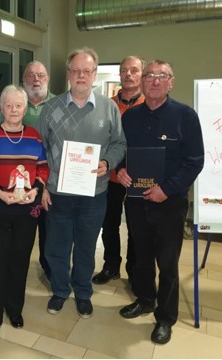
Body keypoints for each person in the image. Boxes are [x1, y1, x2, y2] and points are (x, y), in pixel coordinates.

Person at [116, 60, 204, 344]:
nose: (154, 81)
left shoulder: (186, 117)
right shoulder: (129, 117)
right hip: (137, 202)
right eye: (150, 75)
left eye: (161, 76)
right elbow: (119, 151)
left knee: (167, 262)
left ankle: (165, 317)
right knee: (141, 256)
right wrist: (121, 170)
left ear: (171, 82)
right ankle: (144, 299)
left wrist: (167, 189)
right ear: (143, 81)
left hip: (169, 203)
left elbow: (194, 162)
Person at [38, 47, 126, 318]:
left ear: (94, 75)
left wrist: (107, 163)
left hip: (94, 193)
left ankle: (83, 292)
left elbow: (119, 143)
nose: (80, 75)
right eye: (75, 70)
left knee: (87, 247)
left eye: (86, 71)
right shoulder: (50, 108)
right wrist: (42, 186)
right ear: (68, 74)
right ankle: (60, 291)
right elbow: (39, 151)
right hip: (58, 193)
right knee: (57, 247)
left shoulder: (109, 108)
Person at [0, 85, 50, 341]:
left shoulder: (34, 137)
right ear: (1, 107)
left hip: (26, 210)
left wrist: (36, 190)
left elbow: (43, 168)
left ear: (25, 108)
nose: (14, 110)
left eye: (19, 105)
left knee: (19, 263)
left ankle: (14, 309)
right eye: (8, 105)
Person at [92, 56, 145, 286]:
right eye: (124, 70)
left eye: (134, 70)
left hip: (139, 179)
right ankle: (111, 266)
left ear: (141, 74)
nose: (129, 74)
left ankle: (135, 272)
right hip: (110, 177)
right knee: (109, 225)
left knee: (136, 228)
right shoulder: (107, 105)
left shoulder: (149, 105)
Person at [22, 60, 55, 280]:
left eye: (41, 75)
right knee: (23, 232)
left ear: (48, 79)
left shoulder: (61, 105)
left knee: (50, 232)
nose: (36, 79)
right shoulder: (15, 103)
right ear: (23, 80)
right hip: (20, 184)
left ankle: (50, 269)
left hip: (51, 183)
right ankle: (17, 272)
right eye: (31, 75)